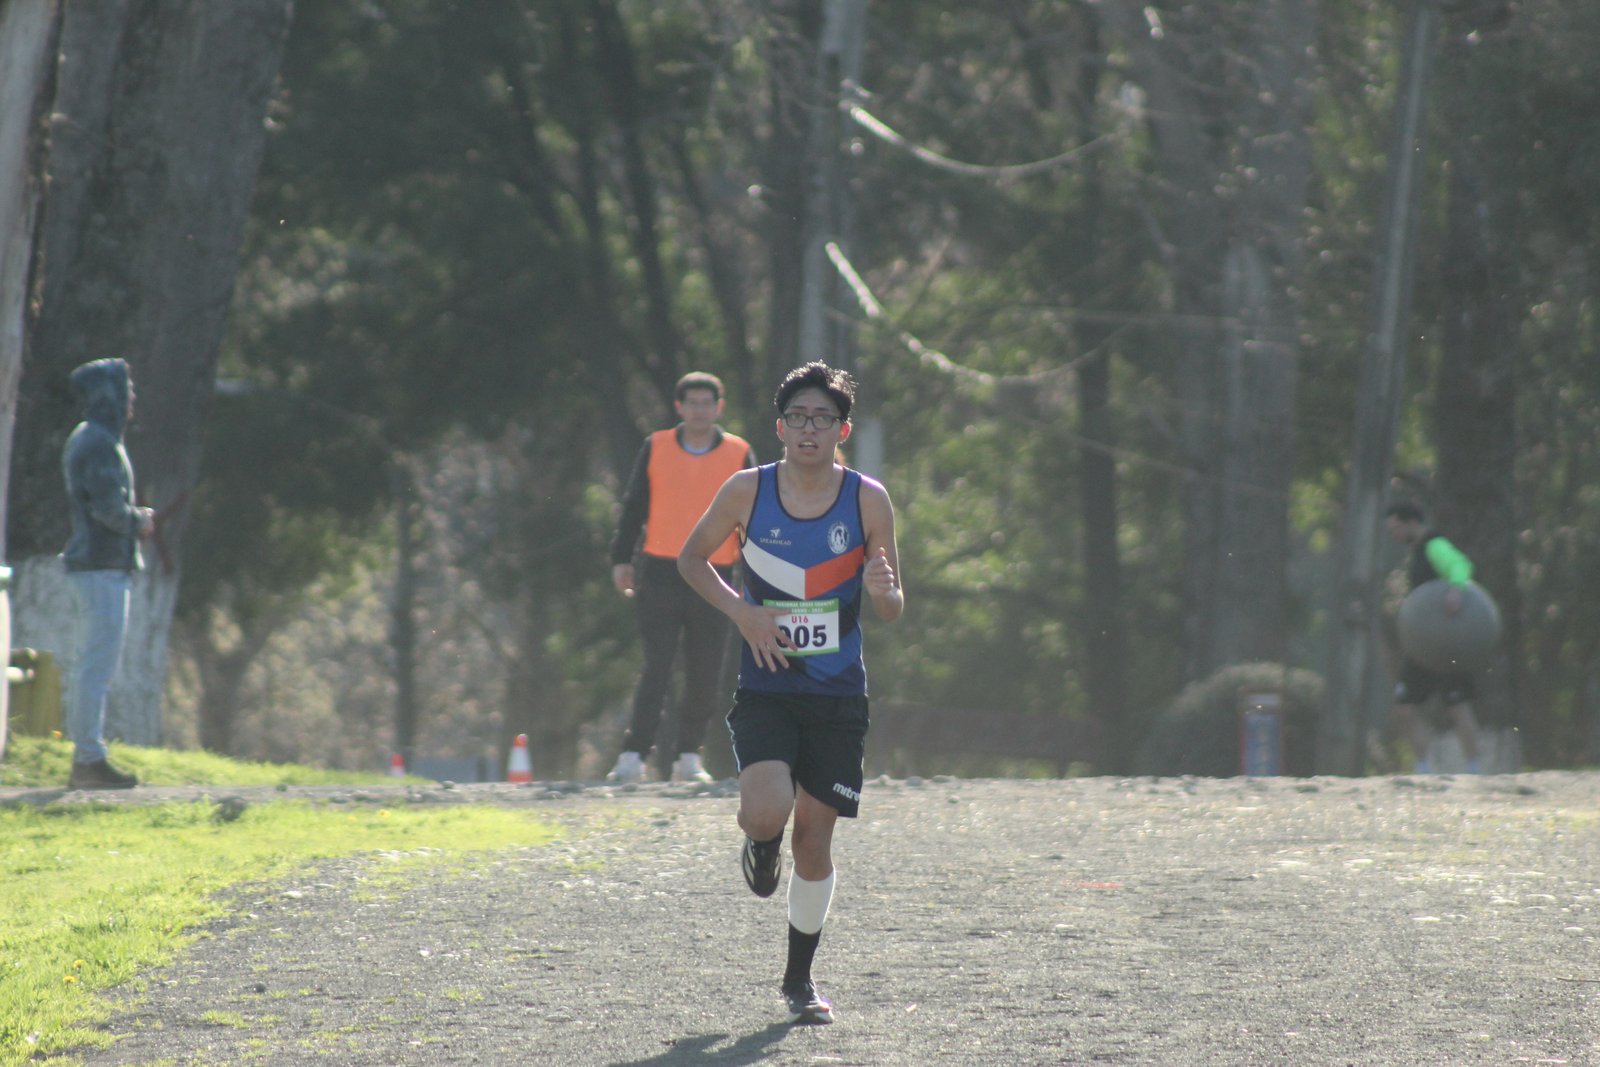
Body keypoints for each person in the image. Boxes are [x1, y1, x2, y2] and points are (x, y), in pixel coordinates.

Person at [677, 361, 903, 1025]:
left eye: (822, 419)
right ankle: (759, 842)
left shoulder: (868, 500)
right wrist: (742, 612)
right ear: (779, 427)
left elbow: (890, 605)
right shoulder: (747, 490)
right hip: (767, 683)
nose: (809, 429)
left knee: (814, 840)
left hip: (838, 694)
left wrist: (886, 592)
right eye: (798, 417)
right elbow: (691, 559)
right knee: (766, 810)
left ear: (842, 430)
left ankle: (799, 980)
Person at [608, 372, 757, 784]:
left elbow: (753, 517)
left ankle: (688, 755)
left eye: (706, 403)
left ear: (718, 407)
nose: (699, 410)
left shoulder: (738, 452)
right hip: (660, 571)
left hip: (716, 574)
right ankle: (634, 754)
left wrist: (753, 576)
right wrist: (621, 558)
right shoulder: (656, 447)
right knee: (656, 665)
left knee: (705, 669)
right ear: (679, 407)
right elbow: (634, 505)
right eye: (692, 403)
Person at [60, 357, 153, 790]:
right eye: (125, 388)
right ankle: (88, 760)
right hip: (100, 568)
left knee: (91, 667)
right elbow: (108, 510)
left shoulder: (92, 438)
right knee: (95, 669)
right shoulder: (99, 443)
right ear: (108, 394)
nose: (131, 397)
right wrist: (140, 520)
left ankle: (88, 756)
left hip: (95, 568)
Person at [1385, 501, 1481, 774]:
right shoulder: (1417, 552)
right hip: (1422, 646)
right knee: (1404, 706)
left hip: (1447, 644)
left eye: (1396, 528)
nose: (1394, 534)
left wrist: (1456, 590)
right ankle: (1423, 767)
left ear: (1412, 523)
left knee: (1457, 707)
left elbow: (1460, 565)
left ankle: (1474, 767)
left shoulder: (1434, 545)